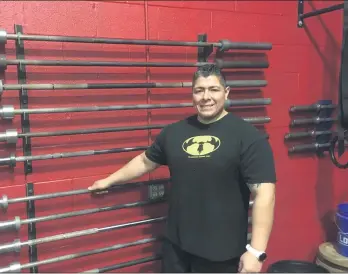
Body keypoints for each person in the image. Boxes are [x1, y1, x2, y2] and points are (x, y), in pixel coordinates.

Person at [88, 64, 277, 273]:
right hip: (176, 247)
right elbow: (145, 161)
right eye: (199, 90)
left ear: (226, 92)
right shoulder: (174, 132)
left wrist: (256, 251)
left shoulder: (248, 137)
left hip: (221, 253)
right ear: (192, 95)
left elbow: (264, 194)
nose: (206, 97)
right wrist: (109, 180)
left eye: (213, 89)